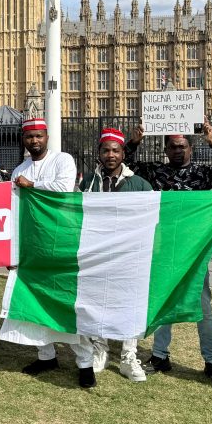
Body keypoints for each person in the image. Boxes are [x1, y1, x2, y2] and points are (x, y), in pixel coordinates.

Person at [124, 118, 212, 387]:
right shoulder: (154, 172)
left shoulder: (203, 173)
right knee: (164, 300)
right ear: (166, 150)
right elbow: (123, 164)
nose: (179, 150)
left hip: (194, 249)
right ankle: (160, 355)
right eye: (174, 146)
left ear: (191, 148)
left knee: (203, 305)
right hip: (164, 247)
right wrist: (135, 141)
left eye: (183, 146)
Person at [2, 118, 98, 388]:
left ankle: (85, 362)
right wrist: (13, 252)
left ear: (46, 136)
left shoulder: (62, 160)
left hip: (61, 242)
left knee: (67, 303)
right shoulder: (19, 169)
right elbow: (15, 210)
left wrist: (32, 186)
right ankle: (46, 356)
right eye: (29, 137)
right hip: (33, 246)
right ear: (24, 140)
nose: (34, 141)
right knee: (37, 303)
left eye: (38, 136)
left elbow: (64, 190)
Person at [80, 127, 154, 382]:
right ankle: (99, 349)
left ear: (123, 153)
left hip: (129, 256)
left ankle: (128, 357)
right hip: (97, 254)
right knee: (97, 302)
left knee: (129, 305)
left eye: (115, 150)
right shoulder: (88, 182)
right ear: (99, 153)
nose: (110, 155)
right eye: (106, 150)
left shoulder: (139, 184)